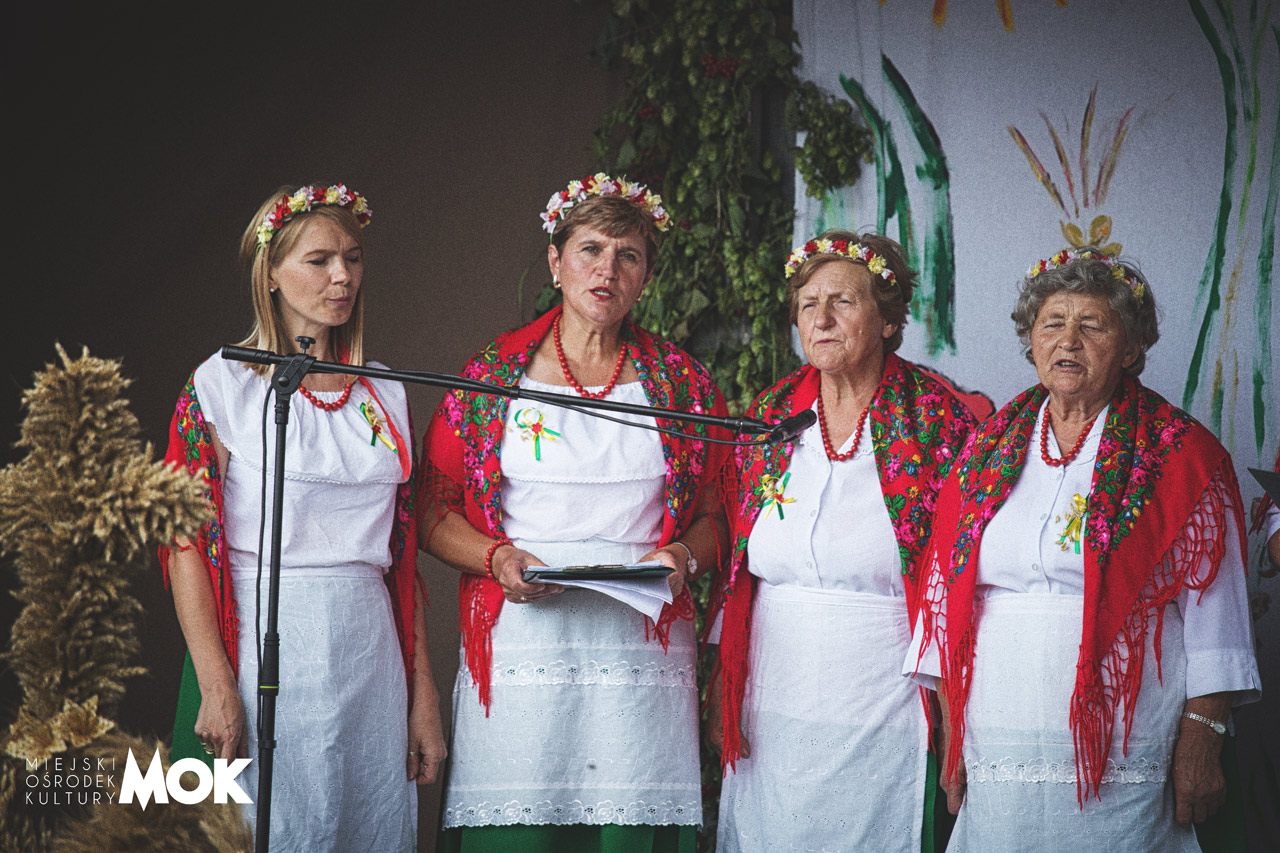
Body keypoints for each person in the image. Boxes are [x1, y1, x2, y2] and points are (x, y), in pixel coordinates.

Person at [913, 248, 1260, 851]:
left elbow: (1219, 614)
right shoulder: (984, 452)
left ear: (1130, 347)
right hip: (997, 733)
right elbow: (944, 601)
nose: (1068, 340)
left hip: (1126, 741)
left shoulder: (1182, 456)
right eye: (1052, 323)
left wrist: (1203, 737)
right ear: (1032, 340)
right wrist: (950, 733)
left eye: (1092, 325)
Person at [421, 173, 728, 852]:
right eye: (590, 250)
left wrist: (683, 556)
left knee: (629, 829)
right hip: (524, 642)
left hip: (638, 649)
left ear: (646, 276)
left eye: (628, 256)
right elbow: (433, 511)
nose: (606, 270)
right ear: (556, 262)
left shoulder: (683, 384)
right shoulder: (491, 376)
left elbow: (721, 515)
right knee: (519, 830)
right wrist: (496, 557)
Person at [160, 184, 446, 851]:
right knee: (273, 827)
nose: (342, 276)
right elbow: (184, 541)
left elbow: (402, 557)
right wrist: (215, 682)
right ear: (271, 273)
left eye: (353, 257)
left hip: (369, 651)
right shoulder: (222, 384)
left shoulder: (385, 391)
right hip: (264, 641)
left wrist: (423, 693)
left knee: (364, 826)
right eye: (319, 260)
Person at [704, 231, 976, 852]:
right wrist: (724, 677)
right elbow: (739, 564)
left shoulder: (935, 421)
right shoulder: (772, 414)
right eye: (808, 304)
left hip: (884, 693)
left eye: (843, 302)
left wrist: (955, 712)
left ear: (887, 319)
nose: (821, 319)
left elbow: (959, 576)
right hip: (773, 690)